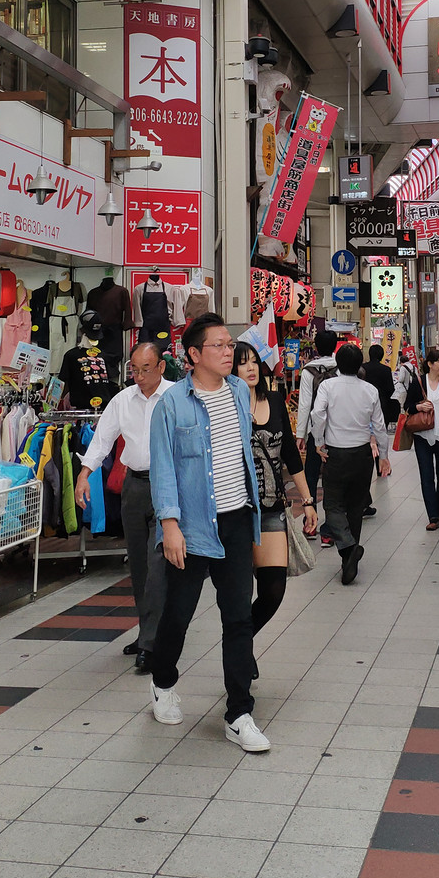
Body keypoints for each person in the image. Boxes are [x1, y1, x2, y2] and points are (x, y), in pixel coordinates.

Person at [148, 313, 270, 753]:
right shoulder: (172, 405)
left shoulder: (239, 391)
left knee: (238, 617)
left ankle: (239, 713)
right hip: (192, 526)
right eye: (218, 345)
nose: (228, 352)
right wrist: (170, 525)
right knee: (178, 616)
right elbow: (163, 468)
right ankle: (163, 684)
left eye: (229, 344)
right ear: (194, 354)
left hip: (237, 520)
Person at [75, 341, 172, 672]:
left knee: (158, 564)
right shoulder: (121, 400)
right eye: (134, 369)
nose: (140, 376)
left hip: (166, 487)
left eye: (146, 369)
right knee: (140, 566)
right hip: (133, 486)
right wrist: (85, 474)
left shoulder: (175, 397)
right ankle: (148, 631)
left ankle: (150, 642)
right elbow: (102, 440)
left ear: (161, 367)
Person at [233, 341, 318, 637]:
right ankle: (240, 654)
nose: (251, 367)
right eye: (243, 363)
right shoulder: (226, 405)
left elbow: (291, 457)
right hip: (237, 510)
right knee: (238, 594)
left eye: (254, 361)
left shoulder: (275, 399)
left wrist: (307, 501)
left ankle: (241, 642)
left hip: (271, 508)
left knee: (273, 590)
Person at [310, 343, 391, 584]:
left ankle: (347, 548)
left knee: (333, 505)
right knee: (356, 508)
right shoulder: (369, 390)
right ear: (359, 365)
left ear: (338, 364)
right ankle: (349, 558)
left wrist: (318, 440)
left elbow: (317, 414)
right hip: (362, 454)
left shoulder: (327, 386)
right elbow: (379, 425)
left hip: (336, 453)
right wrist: (384, 456)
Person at [296, 330, 338, 546]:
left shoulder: (308, 371)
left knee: (311, 476)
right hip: (336, 433)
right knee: (332, 479)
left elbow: (304, 405)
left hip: (315, 432)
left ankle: (309, 521)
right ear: (335, 346)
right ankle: (330, 529)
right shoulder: (340, 369)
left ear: (315, 346)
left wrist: (300, 434)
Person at [407, 348, 439, 531]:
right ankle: (432, 515)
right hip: (423, 435)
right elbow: (408, 406)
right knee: (427, 475)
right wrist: (419, 406)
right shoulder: (418, 381)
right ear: (430, 364)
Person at [361, 343, 399, 427]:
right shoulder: (386, 370)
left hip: (364, 403)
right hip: (382, 404)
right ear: (382, 355)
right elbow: (390, 388)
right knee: (380, 430)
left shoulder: (362, 368)